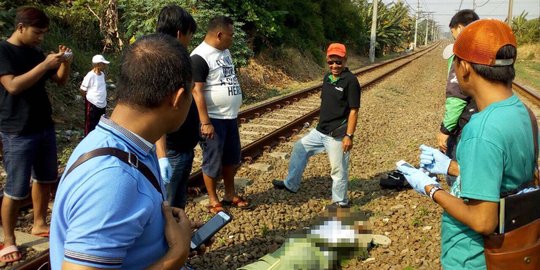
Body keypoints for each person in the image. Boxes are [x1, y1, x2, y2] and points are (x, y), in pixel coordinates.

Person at [397, 19, 534, 269]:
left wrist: (430, 188)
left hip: (473, 258)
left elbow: (482, 220)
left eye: (455, 62)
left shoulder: (480, 129)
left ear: (466, 68)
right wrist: (452, 167)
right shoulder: (523, 112)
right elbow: (507, 179)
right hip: (512, 248)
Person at [50, 33, 193, 269]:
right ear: (177, 97)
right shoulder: (114, 180)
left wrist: (157, 229)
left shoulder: (124, 143)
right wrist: (177, 254)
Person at [0, 6, 72, 263]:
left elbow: (60, 81)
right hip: (17, 130)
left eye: (43, 33)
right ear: (20, 27)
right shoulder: (4, 51)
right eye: (37, 32)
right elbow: (13, 86)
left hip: (43, 125)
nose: (40, 37)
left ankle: (39, 223)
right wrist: (44, 65)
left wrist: (64, 63)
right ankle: (8, 240)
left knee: (45, 178)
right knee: (16, 189)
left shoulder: (35, 51)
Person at [272, 43, 361, 208]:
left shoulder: (351, 81)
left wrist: (349, 136)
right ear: (327, 61)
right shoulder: (327, 78)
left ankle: (340, 201)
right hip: (320, 131)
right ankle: (291, 184)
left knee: (338, 169)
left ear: (345, 60)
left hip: (337, 134)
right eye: (331, 62)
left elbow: (354, 111)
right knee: (300, 148)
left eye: (339, 62)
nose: (334, 65)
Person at [191, 16, 249, 214]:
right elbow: (197, 91)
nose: (232, 39)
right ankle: (213, 199)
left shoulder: (225, 51)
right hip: (213, 119)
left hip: (229, 116)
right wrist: (205, 122)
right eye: (230, 35)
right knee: (212, 161)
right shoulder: (199, 56)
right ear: (219, 34)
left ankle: (229, 194)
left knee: (232, 159)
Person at [155, 4, 199, 210]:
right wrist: (162, 155)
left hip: (182, 147)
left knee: (177, 203)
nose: (190, 41)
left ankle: (178, 239)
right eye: (190, 35)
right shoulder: (168, 63)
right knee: (169, 206)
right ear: (180, 33)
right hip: (172, 150)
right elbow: (158, 111)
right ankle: (170, 242)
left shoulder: (162, 57)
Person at [436, 10, 479, 186]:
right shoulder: (483, 50)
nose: (454, 38)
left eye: (453, 33)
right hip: (483, 117)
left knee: (457, 172)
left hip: (466, 122)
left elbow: (456, 97)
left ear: (460, 28)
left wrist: (445, 130)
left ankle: (462, 208)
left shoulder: (462, 55)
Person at [80, 54, 110, 135]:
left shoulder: (102, 74)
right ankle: (88, 139)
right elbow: (82, 90)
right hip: (92, 103)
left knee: (100, 122)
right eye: (103, 64)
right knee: (90, 124)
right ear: (97, 64)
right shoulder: (90, 75)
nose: (104, 66)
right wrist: (88, 99)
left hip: (102, 103)